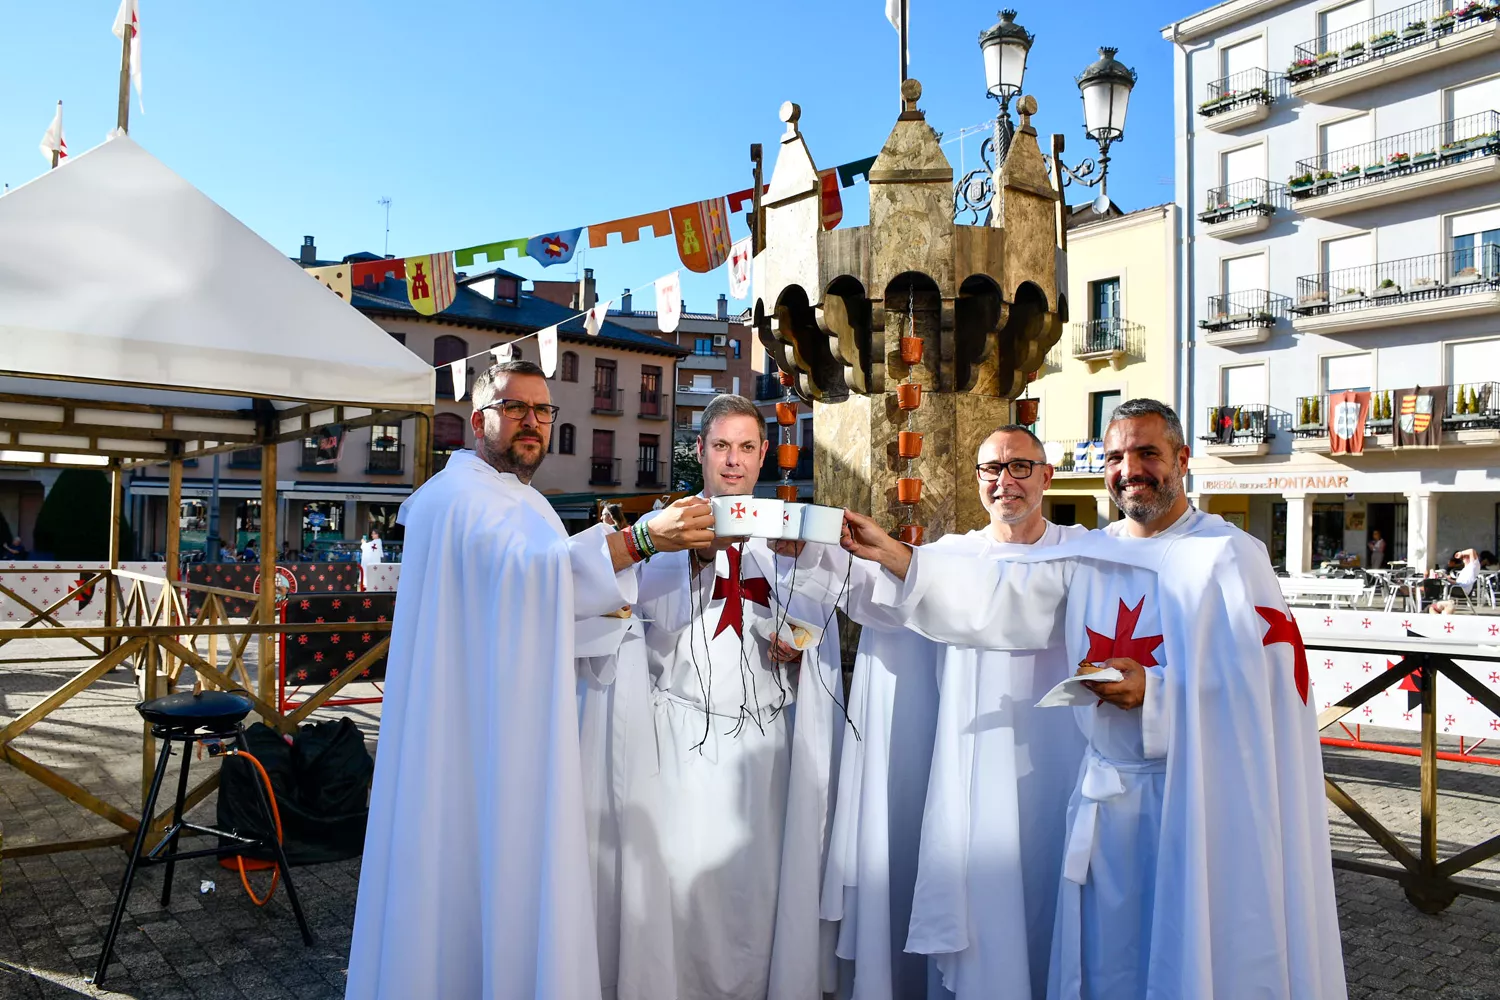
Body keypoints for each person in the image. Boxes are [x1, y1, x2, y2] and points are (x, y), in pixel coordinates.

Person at [840, 398, 1345, 1000]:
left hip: (1197, 799)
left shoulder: (1228, 556)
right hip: (1105, 801)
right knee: (1106, 957)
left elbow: (1261, 693)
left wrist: (1156, 693)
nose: (1130, 469)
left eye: (1147, 453)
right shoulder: (1092, 555)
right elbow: (1000, 597)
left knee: (1190, 950)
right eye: (1115, 456)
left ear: (1182, 460)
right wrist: (895, 555)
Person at [345, 360, 715, 1000]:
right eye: (516, 408)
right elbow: (531, 581)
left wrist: (610, 604)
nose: (533, 423)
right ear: (478, 419)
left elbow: (548, 596)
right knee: (469, 867)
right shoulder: (457, 499)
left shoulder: (528, 502)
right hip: (471, 732)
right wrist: (641, 541)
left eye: (543, 412)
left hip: (504, 716)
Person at [578, 392, 848, 1000]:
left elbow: (818, 623)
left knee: (759, 888)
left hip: (767, 746)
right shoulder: (666, 529)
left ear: (764, 455)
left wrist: (800, 646)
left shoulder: (788, 534)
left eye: (747, 447)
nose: (734, 461)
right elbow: (641, 627)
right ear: (699, 451)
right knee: (684, 885)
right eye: (721, 446)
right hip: (684, 744)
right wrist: (694, 561)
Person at [824, 425, 1088, 1000]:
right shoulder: (950, 556)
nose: (1005, 481)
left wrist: (900, 558)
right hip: (973, 759)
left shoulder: (1082, 554)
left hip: (1054, 761)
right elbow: (881, 607)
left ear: (1047, 476)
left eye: (1020, 466)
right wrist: (824, 555)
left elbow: (1017, 598)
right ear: (976, 479)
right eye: (991, 468)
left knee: (1051, 888)